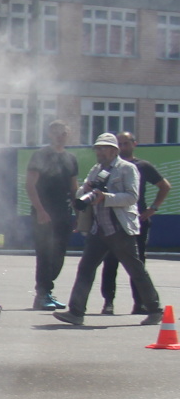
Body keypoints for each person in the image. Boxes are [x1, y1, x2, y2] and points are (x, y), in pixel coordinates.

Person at [54, 132, 162, 327]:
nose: (99, 152)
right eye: (97, 148)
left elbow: (131, 197)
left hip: (120, 229)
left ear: (114, 151)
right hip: (98, 230)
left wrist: (106, 197)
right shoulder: (97, 170)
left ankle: (155, 310)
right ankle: (76, 312)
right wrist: (84, 189)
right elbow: (82, 196)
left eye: (103, 148)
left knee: (136, 270)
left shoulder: (127, 169)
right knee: (85, 268)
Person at [99, 130, 170, 315]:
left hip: (135, 222)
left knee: (137, 264)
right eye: (119, 143)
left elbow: (164, 186)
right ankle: (108, 302)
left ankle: (141, 303)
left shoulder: (142, 166)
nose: (122, 147)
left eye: (126, 143)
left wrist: (152, 209)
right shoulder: (107, 167)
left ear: (134, 144)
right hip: (111, 221)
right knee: (110, 262)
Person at [25, 120, 78, 311]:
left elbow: (74, 188)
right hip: (44, 213)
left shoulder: (71, 158)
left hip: (64, 214)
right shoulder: (40, 155)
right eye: (56, 132)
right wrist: (40, 210)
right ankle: (42, 295)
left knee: (59, 256)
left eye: (63, 132)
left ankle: (47, 289)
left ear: (68, 134)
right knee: (45, 254)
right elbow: (30, 185)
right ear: (49, 134)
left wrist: (78, 212)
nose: (60, 135)